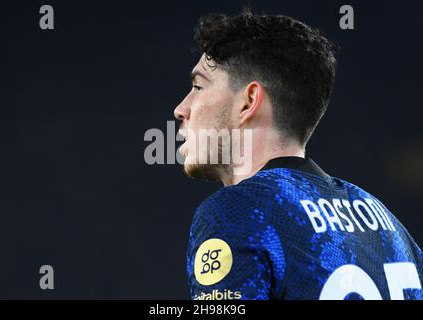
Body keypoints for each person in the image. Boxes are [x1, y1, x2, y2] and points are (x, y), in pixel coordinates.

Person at [173, 9, 423, 300]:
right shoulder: (390, 227)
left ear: (249, 101)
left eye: (197, 87)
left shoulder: (236, 211)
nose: (181, 109)